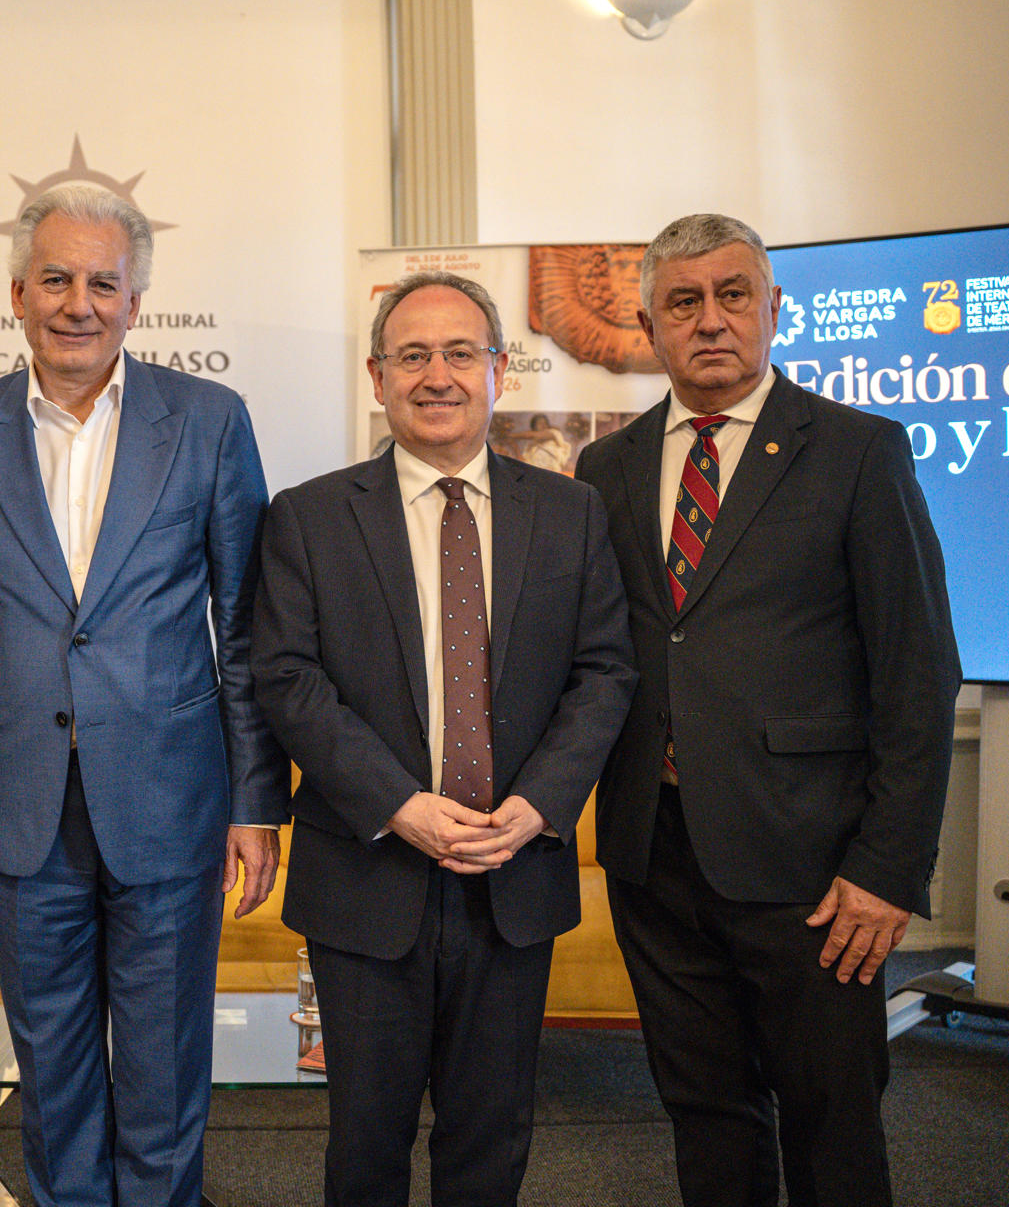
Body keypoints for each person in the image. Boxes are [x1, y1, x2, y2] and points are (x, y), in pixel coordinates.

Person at [0, 185, 290, 1206]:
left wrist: (258, 798)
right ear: (16, 294)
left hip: (171, 800)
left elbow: (245, 627)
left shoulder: (209, 422)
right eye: (56, 280)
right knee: (55, 1073)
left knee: (166, 1073)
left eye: (102, 283)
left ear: (136, 299)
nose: (78, 303)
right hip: (18, 806)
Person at [573, 213, 961, 1207]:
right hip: (655, 854)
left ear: (774, 309)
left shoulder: (858, 452)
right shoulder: (606, 469)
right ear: (650, 326)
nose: (711, 320)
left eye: (733, 295)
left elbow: (918, 673)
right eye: (684, 301)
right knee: (705, 1112)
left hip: (815, 872)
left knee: (831, 1124)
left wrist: (887, 868)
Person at [253, 271, 636, 1205]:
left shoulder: (573, 514)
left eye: (461, 352)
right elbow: (288, 679)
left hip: (514, 876)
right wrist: (399, 804)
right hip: (367, 877)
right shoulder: (307, 516)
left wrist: (539, 806)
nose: (438, 375)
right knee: (366, 1146)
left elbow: (605, 673)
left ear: (500, 370)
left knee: (491, 1142)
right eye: (413, 355)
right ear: (376, 377)